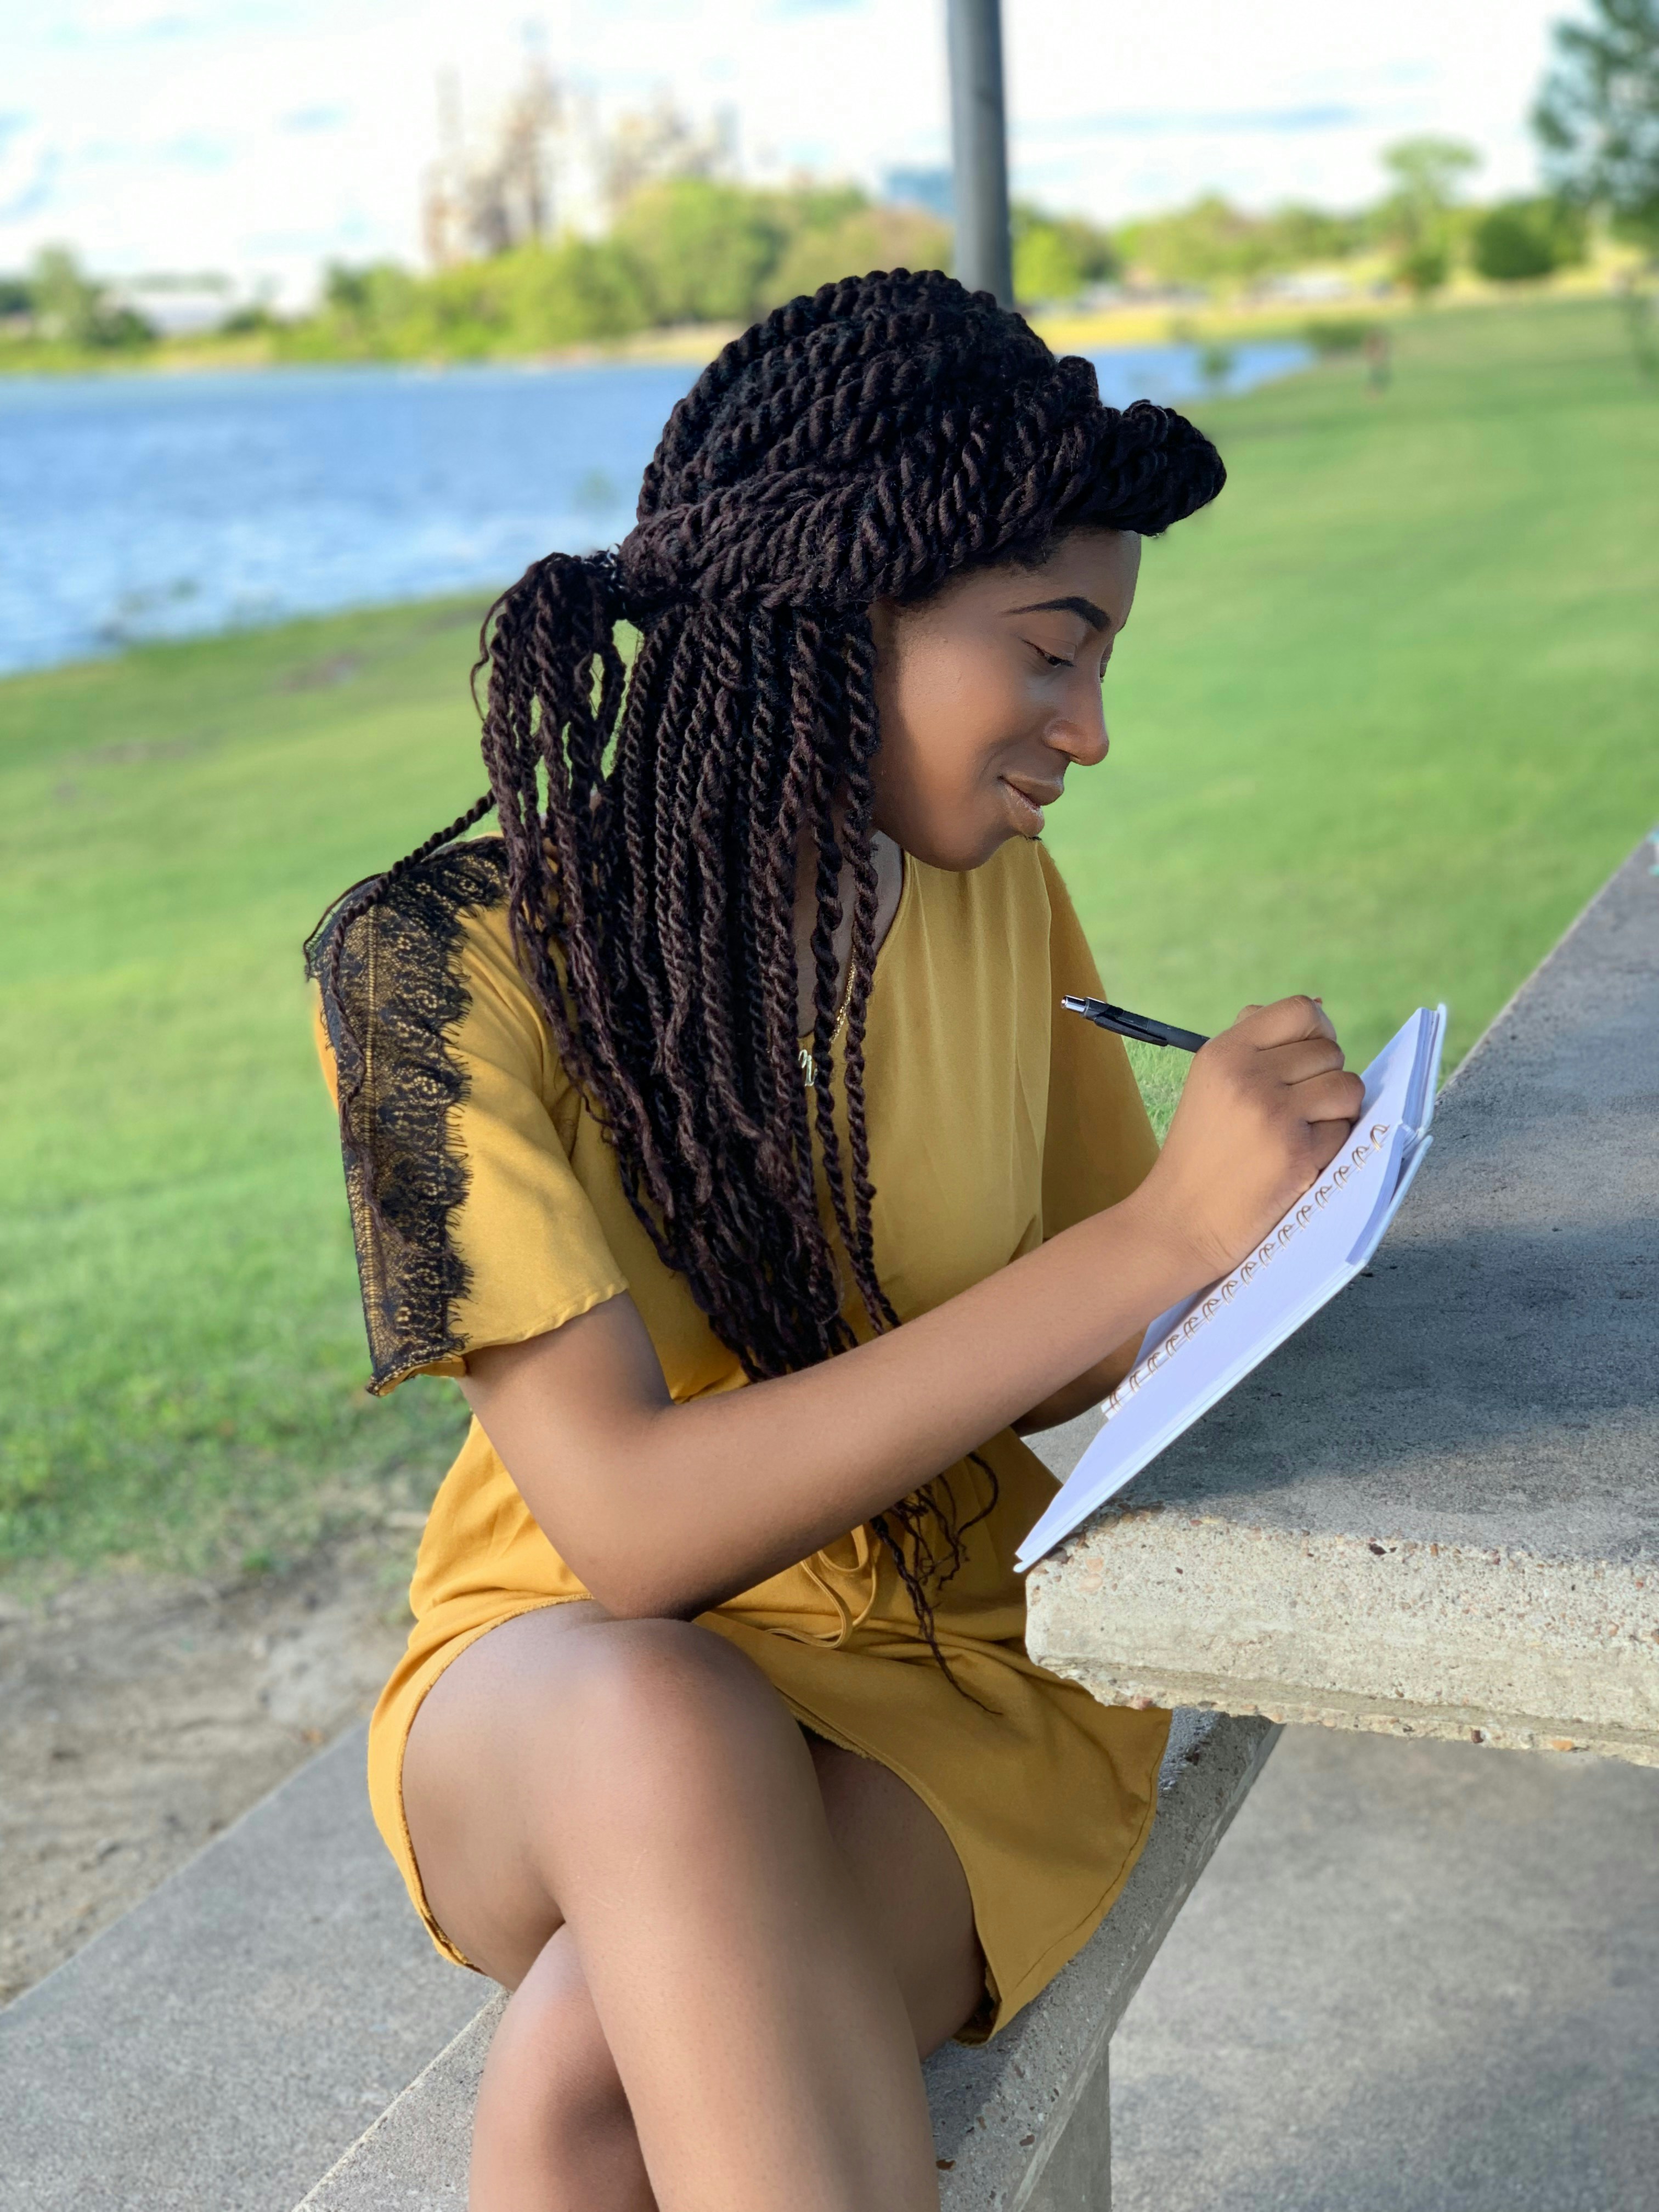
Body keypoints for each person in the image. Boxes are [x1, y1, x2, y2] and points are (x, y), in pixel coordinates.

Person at [307, 268, 1363, 2212]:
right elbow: (628, 1537)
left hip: (937, 1664)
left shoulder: (995, 897)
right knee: (662, 1717)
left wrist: (1266, 1225)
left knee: (586, 2079)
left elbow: (1068, 1335)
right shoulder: (432, 972)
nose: (1090, 730)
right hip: (553, 1689)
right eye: (1051, 653)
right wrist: (1159, 1238)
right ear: (841, 609)